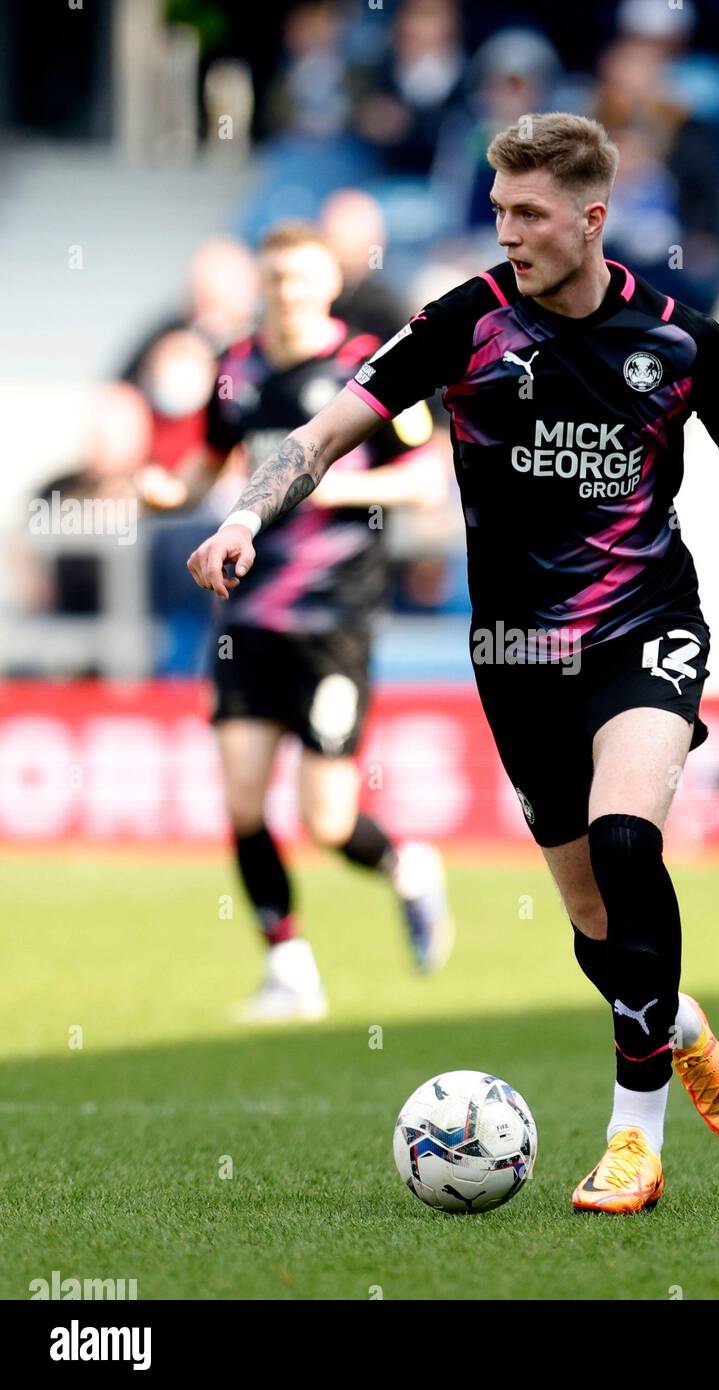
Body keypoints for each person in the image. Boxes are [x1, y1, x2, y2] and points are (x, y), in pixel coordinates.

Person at [188, 115, 719, 1210]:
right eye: (499, 207)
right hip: (517, 652)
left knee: (625, 839)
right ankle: (682, 1023)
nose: (506, 230)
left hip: (645, 626)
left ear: (592, 217)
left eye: (528, 212)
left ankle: (633, 1139)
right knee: (595, 924)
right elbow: (322, 434)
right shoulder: (462, 323)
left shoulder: (681, 340)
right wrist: (246, 514)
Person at [179, 221, 455, 1023]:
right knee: (239, 799)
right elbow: (209, 464)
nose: (287, 294)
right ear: (261, 285)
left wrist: (327, 488)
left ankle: (406, 868)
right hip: (248, 614)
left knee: (327, 819)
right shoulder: (235, 369)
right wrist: (168, 491)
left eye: (302, 280)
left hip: (335, 616)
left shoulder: (365, 370)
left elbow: (425, 483)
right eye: (276, 281)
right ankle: (289, 969)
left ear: (328, 285)